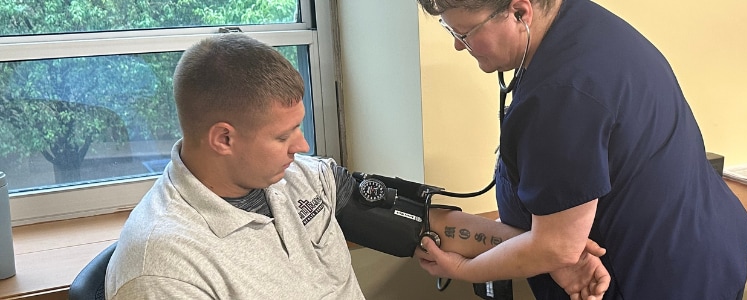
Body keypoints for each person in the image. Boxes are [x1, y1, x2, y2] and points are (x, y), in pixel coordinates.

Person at [103, 33, 608, 299]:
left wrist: (551, 255)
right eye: (283, 136)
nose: (302, 145)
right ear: (223, 138)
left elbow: (428, 225)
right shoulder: (162, 270)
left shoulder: (301, 178)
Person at [414, 0, 747, 299]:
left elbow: (557, 247)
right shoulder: (578, 21)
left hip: (658, 278)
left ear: (520, 11)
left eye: (465, 33)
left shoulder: (562, 92)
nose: (460, 46)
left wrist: (463, 268)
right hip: (699, 251)